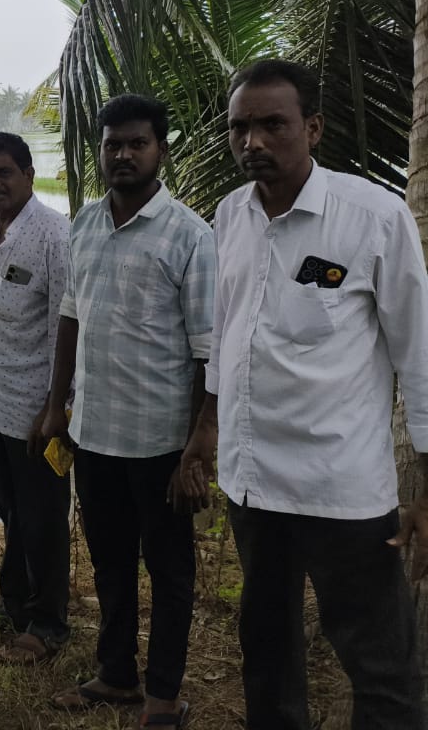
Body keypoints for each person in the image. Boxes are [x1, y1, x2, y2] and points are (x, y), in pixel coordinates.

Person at [177, 60, 428, 729]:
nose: (252, 142)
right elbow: (226, 337)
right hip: (255, 486)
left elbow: (418, 351)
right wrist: (205, 431)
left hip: (342, 489)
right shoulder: (231, 215)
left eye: (271, 125)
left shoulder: (372, 217)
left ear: (311, 128)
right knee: (265, 645)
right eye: (240, 128)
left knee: (380, 664)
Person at [38, 95, 213, 725]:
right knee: (110, 563)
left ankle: (163, 696)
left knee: (169, 574)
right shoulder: (84, 222)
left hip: (162, 442)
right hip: (94, 435)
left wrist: (199, 444)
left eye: (137, 143)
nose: (123, 154)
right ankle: (115, 674)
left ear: (160, 149)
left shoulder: (191, 236)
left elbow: (207, 352)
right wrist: (56, 405)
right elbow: (69, 317)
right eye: (113, 144)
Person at [0, 131, 71, 664]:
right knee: (11, 509)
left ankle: (48, 622)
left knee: (44, 515)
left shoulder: (54, 235)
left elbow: (66, 328)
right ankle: (17, 602)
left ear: (29, 172)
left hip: (36, 413)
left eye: (3, 172)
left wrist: (57, 408)